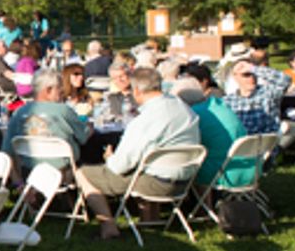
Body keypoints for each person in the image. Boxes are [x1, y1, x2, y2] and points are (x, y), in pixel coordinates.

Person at [75, 68, 201, 240]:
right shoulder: (182, 108)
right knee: (145, 164)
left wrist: (109, 158)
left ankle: (108, 226)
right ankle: (150, 219)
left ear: (137, 91)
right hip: (185, 180)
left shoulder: (145, 120)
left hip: (158, 182)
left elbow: (120, 166)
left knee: (82, 172)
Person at [1, 70, 91, 173]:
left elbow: (7, 149)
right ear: (48, 90)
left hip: (29, 171)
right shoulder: (63, 110)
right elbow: (84, 136)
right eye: (60, 89)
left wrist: (17, 180)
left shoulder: (19, 112)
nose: (62, 93)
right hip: (62, 170)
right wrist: (89, 127)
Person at [172, 77, 249, 192]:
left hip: (222, 173)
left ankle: (200, 206)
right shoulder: (220, 105)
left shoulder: (193, 115)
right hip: (248, 168)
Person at [221, 57, 291, 135]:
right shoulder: (228, 101)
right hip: (242, 144)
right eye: (246, 75)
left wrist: (253, 68)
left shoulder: (268, 93)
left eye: (254, 74)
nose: (252, 78)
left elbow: (285, 80)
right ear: (235, 77)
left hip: (267, 144)